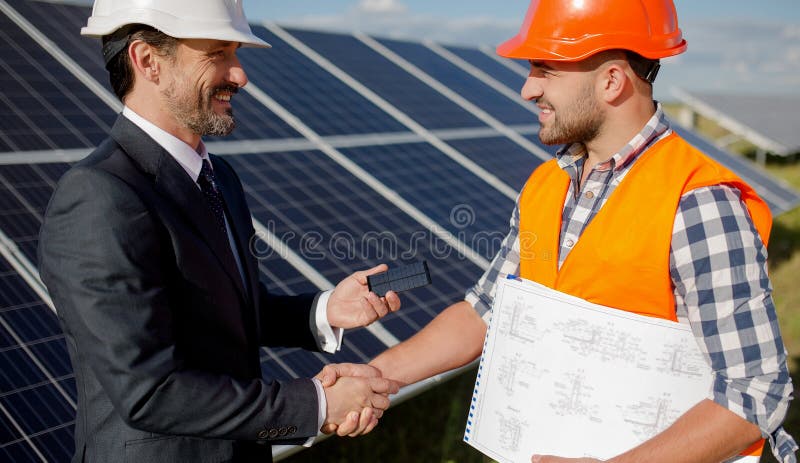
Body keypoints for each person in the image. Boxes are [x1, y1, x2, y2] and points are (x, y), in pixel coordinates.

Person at [367, 0, 798, 462]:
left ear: (611, 81)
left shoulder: (696, 202)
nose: (527, 90)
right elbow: (487, 312)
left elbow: (756, 392)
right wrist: (373, 375)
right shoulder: (546, 185)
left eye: (545, 70)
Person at [37, 1, 401, 462]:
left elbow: (221, 314)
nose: (240, 75)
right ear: (148, 61)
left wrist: (326, 310)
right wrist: (319, 404)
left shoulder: (218, 177)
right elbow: (150, 390)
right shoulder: (98, 196)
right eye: (218, 53)